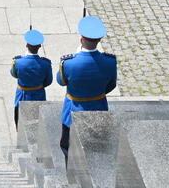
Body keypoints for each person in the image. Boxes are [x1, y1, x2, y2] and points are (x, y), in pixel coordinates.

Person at [57, 16, 117, 161]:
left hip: (72, 111)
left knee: (68, 148)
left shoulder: (69, 63)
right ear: (99, 40)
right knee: (97, 150)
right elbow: (111, 85)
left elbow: (61, 81)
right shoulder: (109, 62)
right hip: (99, 109)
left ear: (81, 38)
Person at [10, 29, 52, 128]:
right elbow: (48, 81)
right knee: (37, 125)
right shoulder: (45, 64)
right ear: (39, 46)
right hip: (39, 96)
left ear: (26, 45)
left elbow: (14, 74)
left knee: (20, 125)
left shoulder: (18, 62)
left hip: (22, 96)